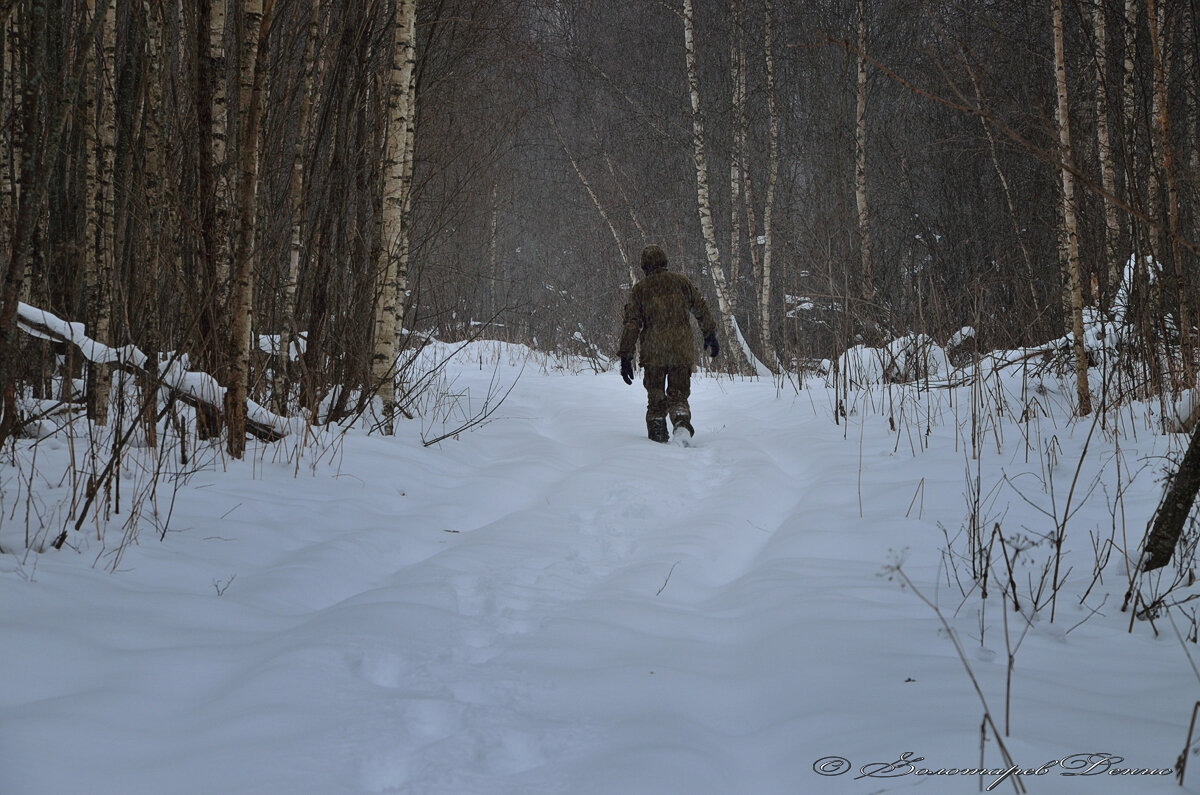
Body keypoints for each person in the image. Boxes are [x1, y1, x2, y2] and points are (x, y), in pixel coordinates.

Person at [617, 244, 719, 443]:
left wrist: (626, 355)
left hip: (654, 354)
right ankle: (681, 428)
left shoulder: (641, 290)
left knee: (655, 398)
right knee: (679, 395)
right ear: (665, 261)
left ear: (644, 266)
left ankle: (657, 439)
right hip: (680, 351)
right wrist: (710, 334)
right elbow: (701, 308)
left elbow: (632, 324)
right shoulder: (681, 282)